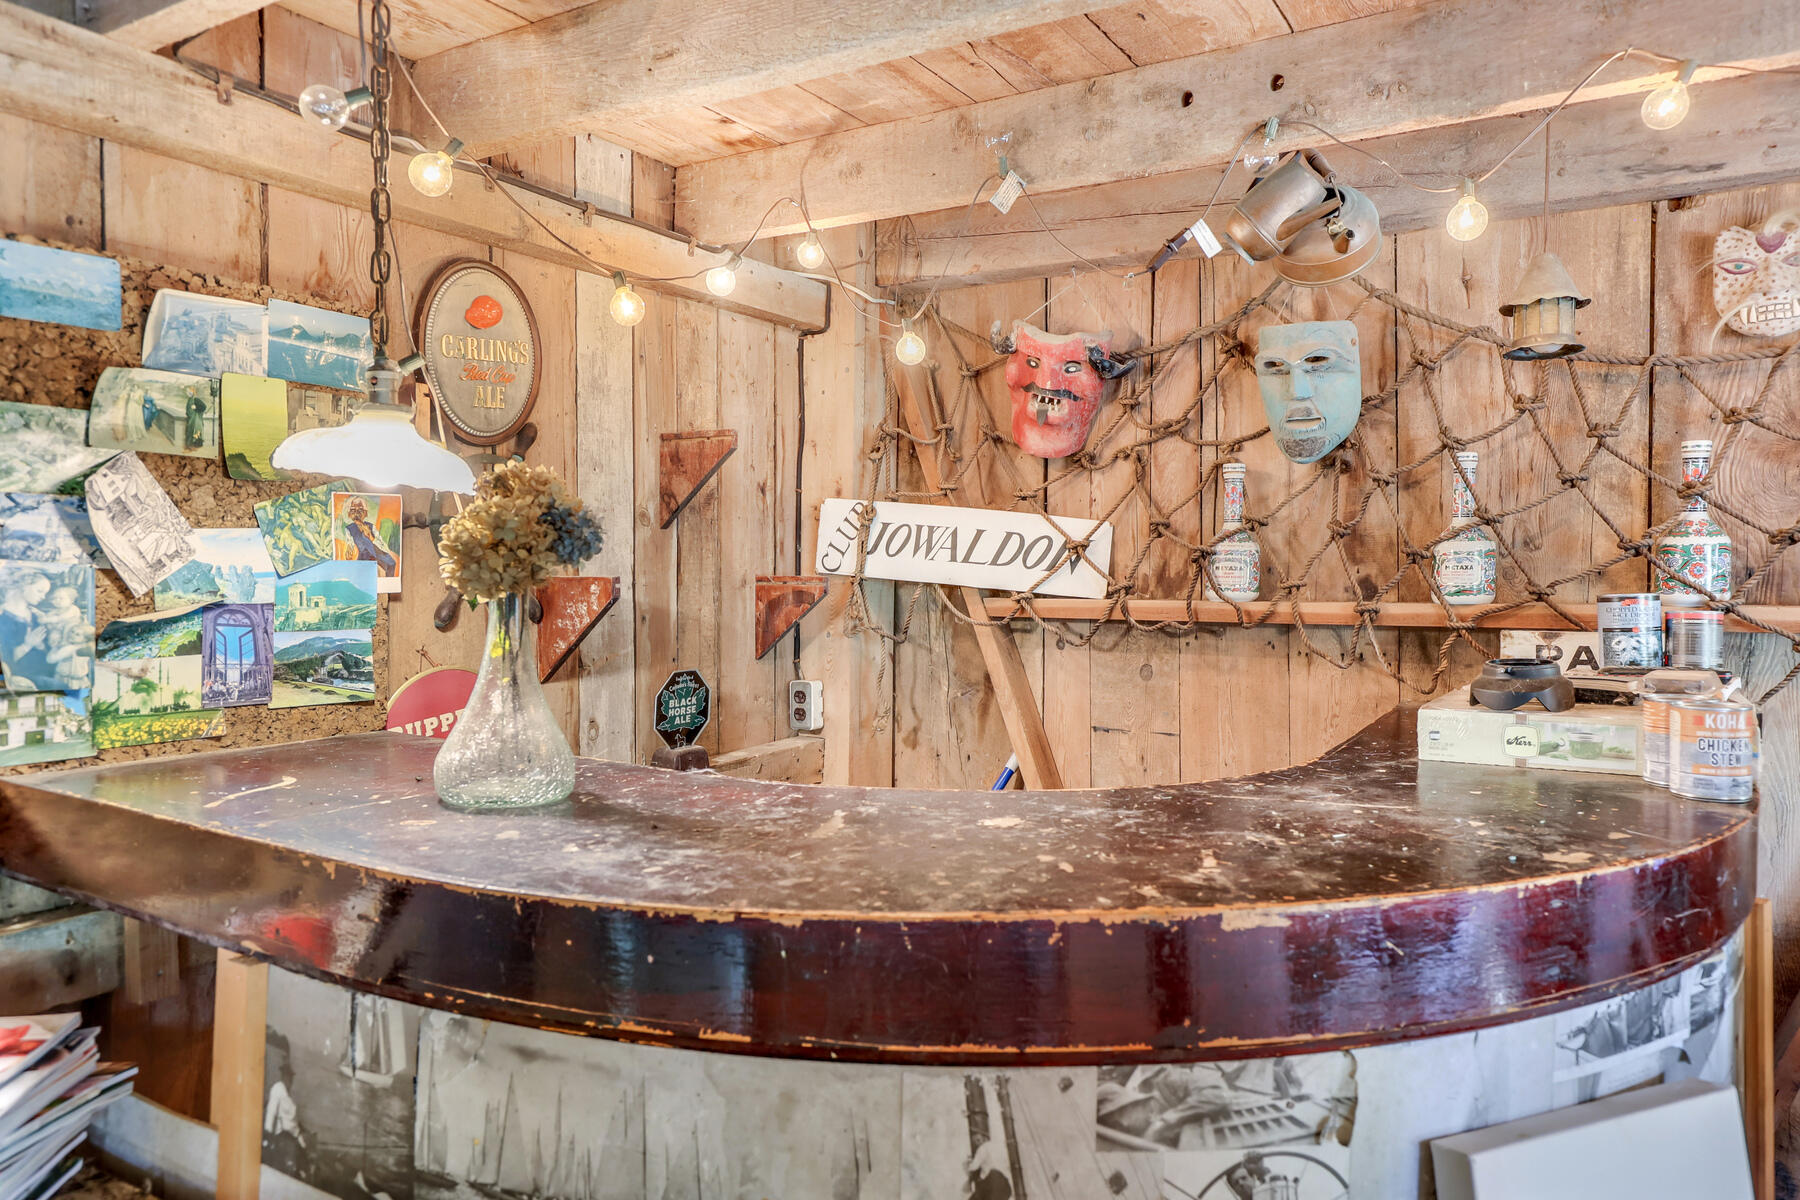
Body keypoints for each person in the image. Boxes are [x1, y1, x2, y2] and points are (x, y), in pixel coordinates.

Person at [340, 497, 397, 578]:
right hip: (364, 555)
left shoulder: (371, 526)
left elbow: (383, 545)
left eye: (360, 510)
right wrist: (349, 550)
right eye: (353, 510)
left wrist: (371, 537)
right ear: (349, 514)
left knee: (392, 563)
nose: (357, 513)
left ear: (365, 513)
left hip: (377, 552)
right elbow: (350, 543)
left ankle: (388, 586)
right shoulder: (349, 529)